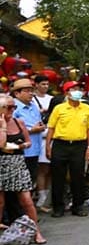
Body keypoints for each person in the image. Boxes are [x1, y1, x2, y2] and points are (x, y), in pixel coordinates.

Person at [44, 81, 89, 217]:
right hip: (60, 145)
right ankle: (58, 207)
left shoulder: (86, 108)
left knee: (78, 177)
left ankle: (78, 206)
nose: (77, 91)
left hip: (79, 146)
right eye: (73, 89)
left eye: (78, 89)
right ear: (67, 93)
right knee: (58, 177)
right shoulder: (59, 108)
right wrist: (48, 146)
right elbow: (51, 128)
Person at [0, 95, 46, 244]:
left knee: (27, 200)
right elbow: (1, 144)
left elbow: (28, 141)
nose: (13, 110)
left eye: (14, 107)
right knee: (0, 203)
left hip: (18, 163)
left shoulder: (18, 122)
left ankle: (36, 231)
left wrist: (21, 146)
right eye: (9, 107)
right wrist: (4, 127)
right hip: (2, 164)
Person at [12, 78, 45, 206]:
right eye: (27, 91)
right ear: (17, 93)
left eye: (32, 91)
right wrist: (32, 130)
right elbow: (12, 130)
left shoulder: (34, 106)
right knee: (20, 184)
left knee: (31, 181)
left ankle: (28, 211)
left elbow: (37, 123)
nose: (31, 94)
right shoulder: (13, 108)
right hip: (21, 151)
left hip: (34, 149)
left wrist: (40, 126)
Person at [31, 74, 57, 208]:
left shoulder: (51, 98)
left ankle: (47, 195)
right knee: (43, 168)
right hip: (40, 136)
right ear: (36, 84)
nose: (45, 87)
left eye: (47, 84)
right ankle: (41, 196)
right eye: (42, 84)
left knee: (52, 168)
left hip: (52, 135)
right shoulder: (32, 100)